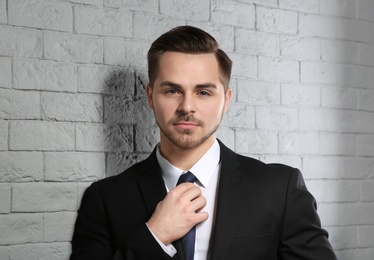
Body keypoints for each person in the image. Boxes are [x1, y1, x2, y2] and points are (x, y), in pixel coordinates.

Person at [70, 26, 337, 260]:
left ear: (227, 100)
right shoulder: (105, 199)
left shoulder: (280, 189)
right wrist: (156, 234)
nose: (187, 106)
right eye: (172, 90)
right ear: (150, 96)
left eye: (204, 92)